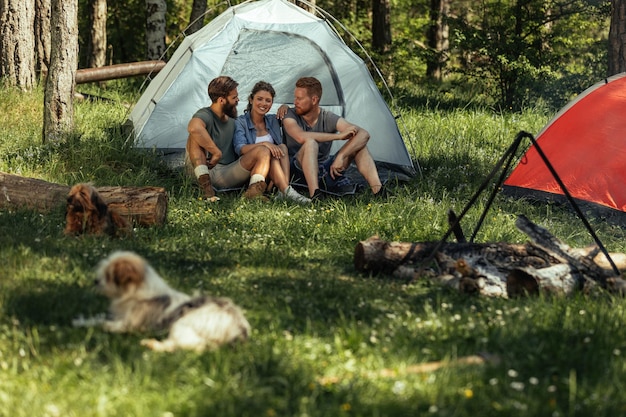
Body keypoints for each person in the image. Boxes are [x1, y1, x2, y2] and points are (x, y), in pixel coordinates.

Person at [282, 76, 384, 200]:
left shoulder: (327, 117)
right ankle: (315, 194)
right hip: (297, 172)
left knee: (360, 146)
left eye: (299, 98)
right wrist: (338, 136)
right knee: (310, 143)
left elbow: (363, 134)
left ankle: (378, 191)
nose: (295, 102)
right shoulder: (289, 114)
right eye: (295, 97)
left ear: (314, 100)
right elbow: (300, 136)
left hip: (324, 171)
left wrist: (341, 156)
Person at [186, 76, 271, 201]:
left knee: (263, 150)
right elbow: (194, 127)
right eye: (234, 97)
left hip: (226, 173)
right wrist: (216, 152)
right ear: (221, 100)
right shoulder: (206, 114)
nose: (238, 100)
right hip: (203, 170)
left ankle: (253, 192)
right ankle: (206, 189)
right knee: (194, 134)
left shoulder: (233, 120)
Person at [233, 81, 311, 204]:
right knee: (270, 151)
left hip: (272, 172)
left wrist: (286, 107)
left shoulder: (272, 120)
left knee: (282, 147)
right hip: (252, 169)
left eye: (268, 101)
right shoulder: (241, 122)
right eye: (260, 99)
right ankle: (286, 190)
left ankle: (282, 191)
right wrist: (265, 144)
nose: (264, 104)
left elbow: (300, 112)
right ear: (251, 100)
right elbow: (240, 148)